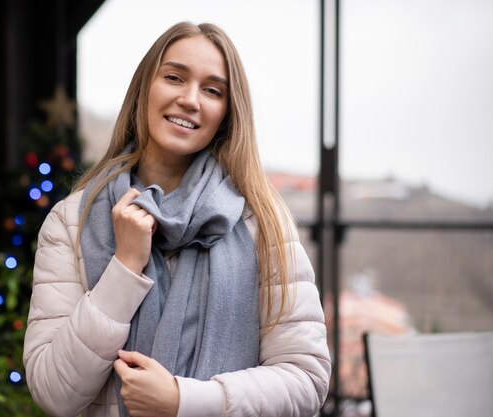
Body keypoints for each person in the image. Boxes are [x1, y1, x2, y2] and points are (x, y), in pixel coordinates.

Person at [23, 22, 331, 417]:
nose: (190, 99)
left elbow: (305, 379)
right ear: (144, 90)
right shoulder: (71, 222)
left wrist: (184, 401)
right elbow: (54, 392)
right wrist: (124, 268)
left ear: (227, 113)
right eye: (174, 77)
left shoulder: (263, 221)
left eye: (212, 90)